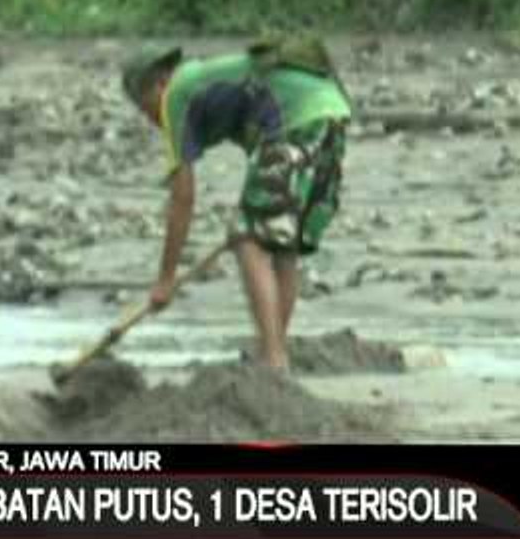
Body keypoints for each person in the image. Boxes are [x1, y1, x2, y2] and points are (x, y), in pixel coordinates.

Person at [122, 35, 352, 375]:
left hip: (296, 120)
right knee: (282, 244)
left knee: (248, 238)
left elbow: (182, 196)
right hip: (332, 113)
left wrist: (165, 280)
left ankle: (272, 361)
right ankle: (273, 354)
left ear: (159, 84)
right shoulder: (207, 82)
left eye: (146, 109)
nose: (153, 120)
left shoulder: (175, 96)